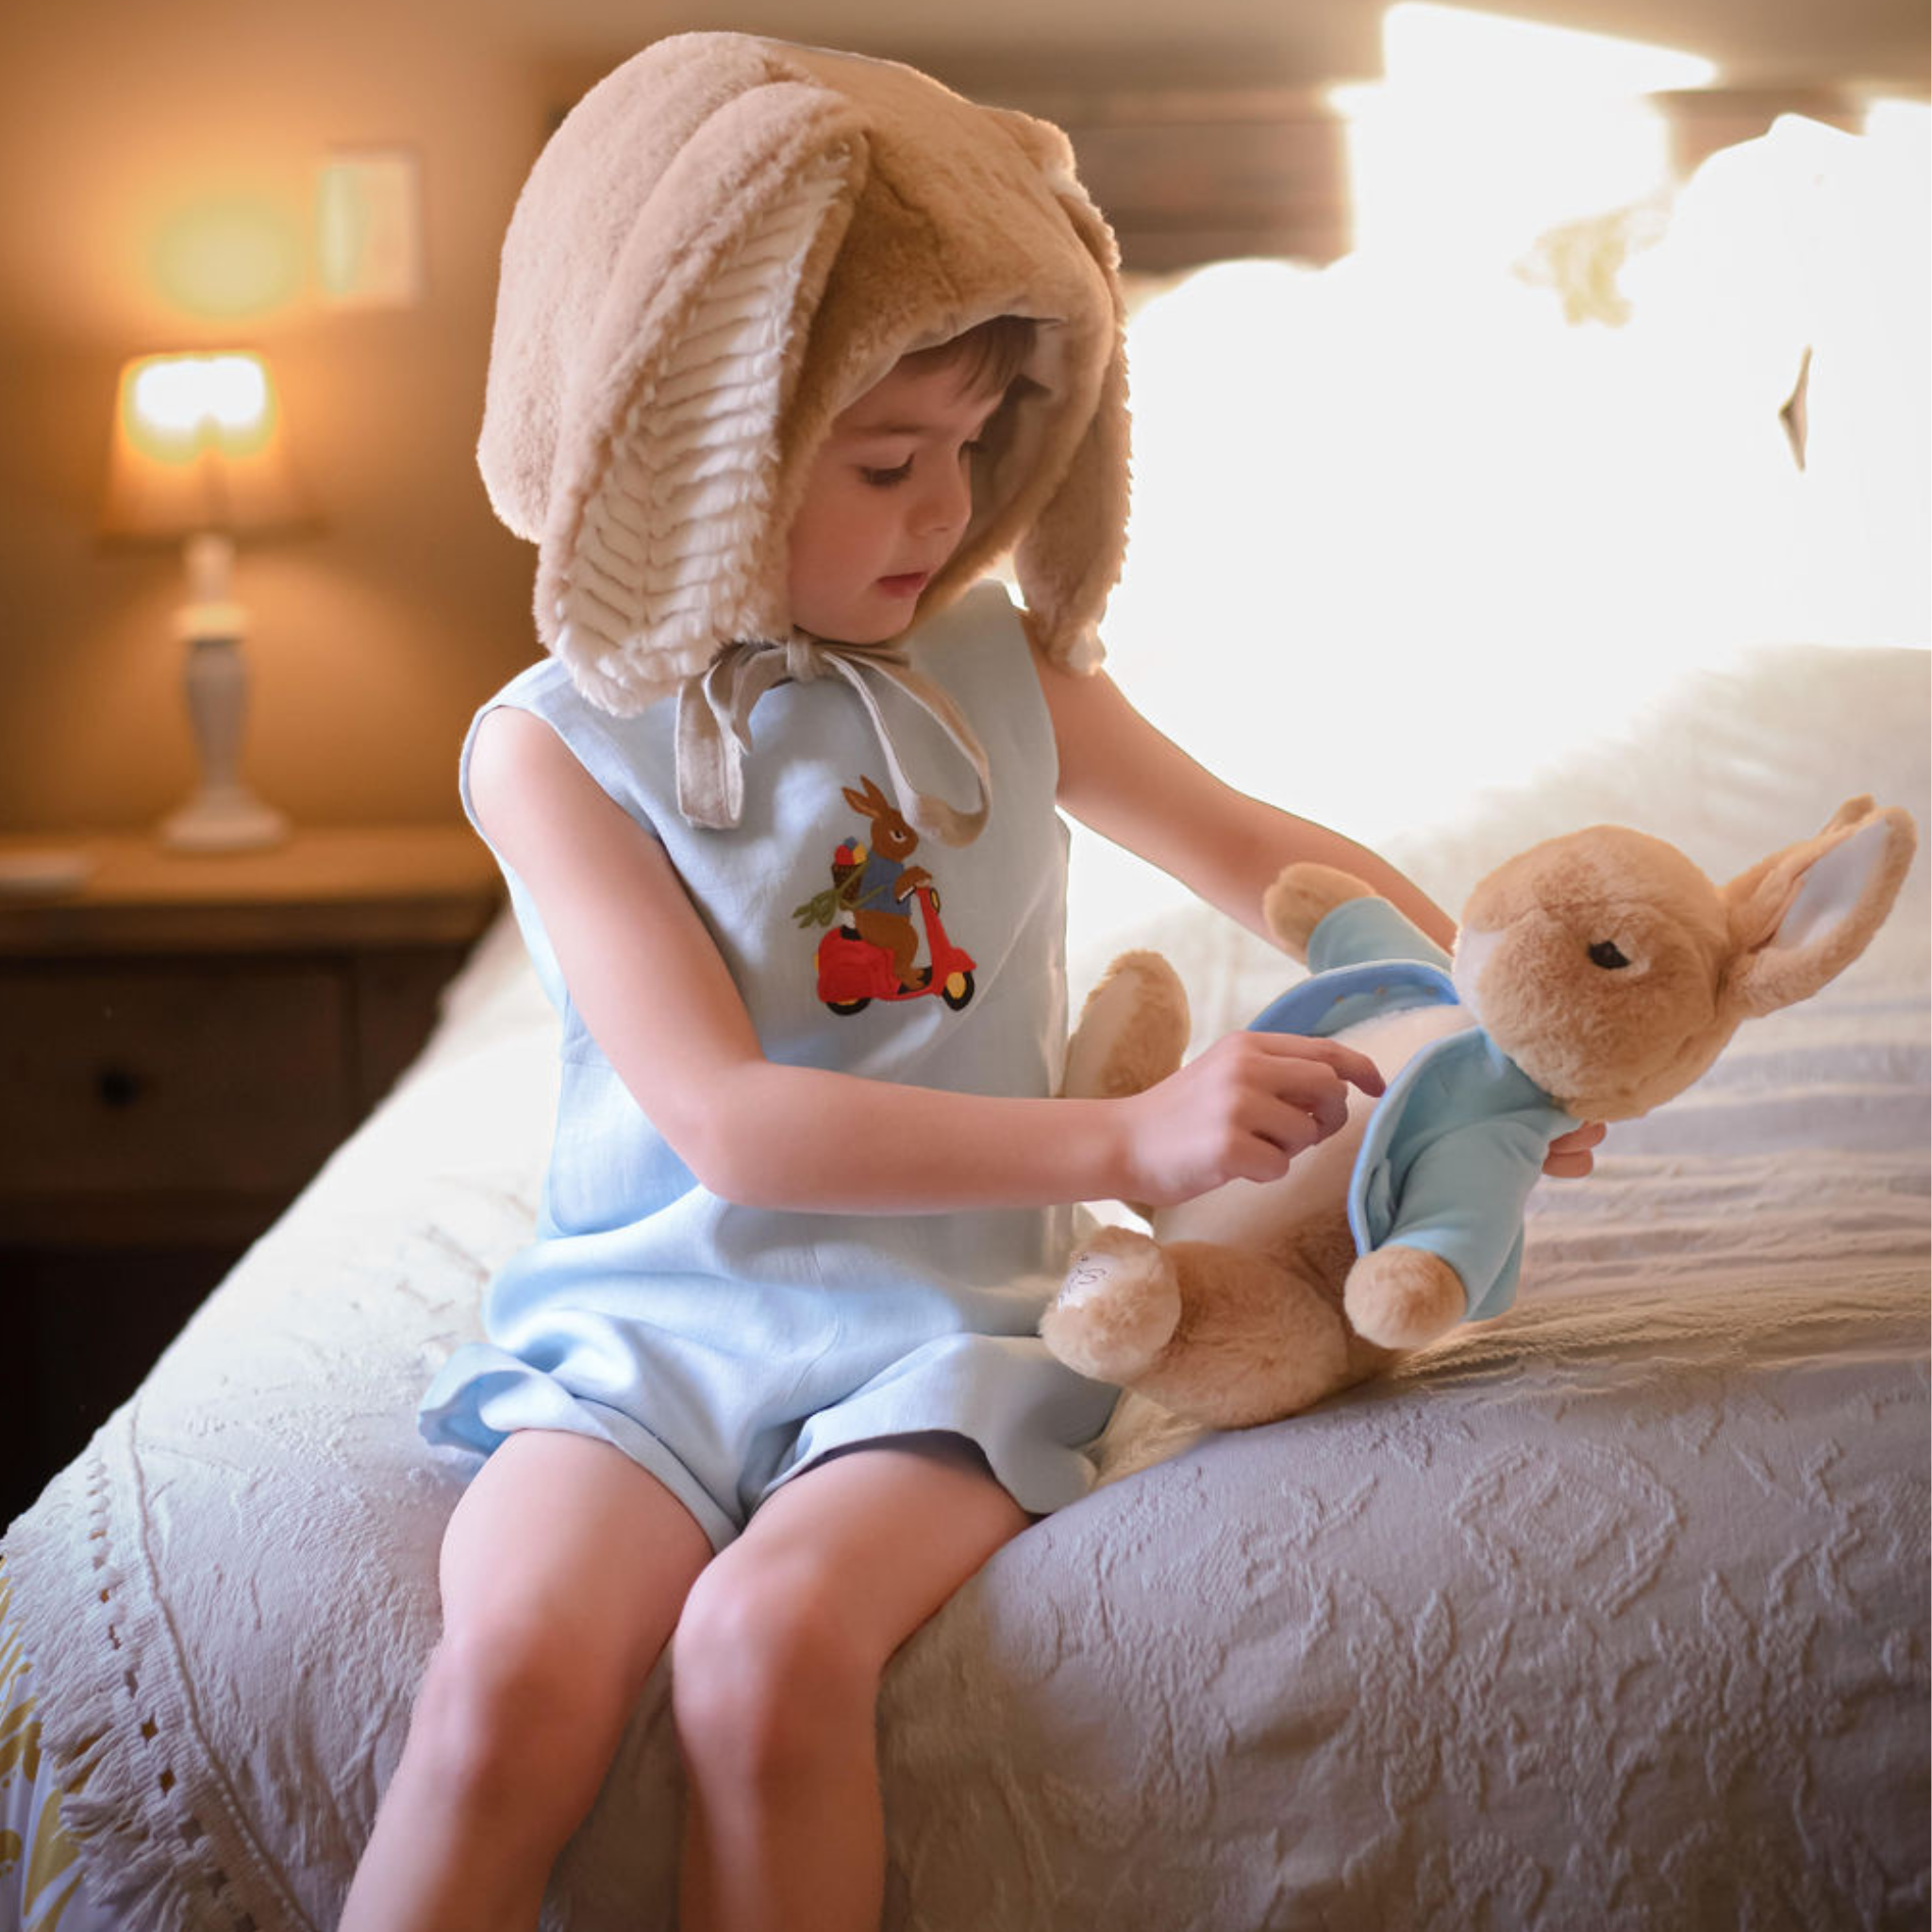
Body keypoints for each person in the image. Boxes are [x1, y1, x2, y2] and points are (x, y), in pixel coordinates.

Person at [340, 34, 1601, 1932]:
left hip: (946, 1333)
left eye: (976, 449)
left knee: (767, 1652)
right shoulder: (553, 747)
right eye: (885, 463)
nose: (943, 512)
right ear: (694, 446)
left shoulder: (1001, 664)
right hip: (644, 1333)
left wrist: (1485, 1038)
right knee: (504, 1694)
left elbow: (1261, 853)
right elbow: (730, 1125)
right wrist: (1131, 1138)